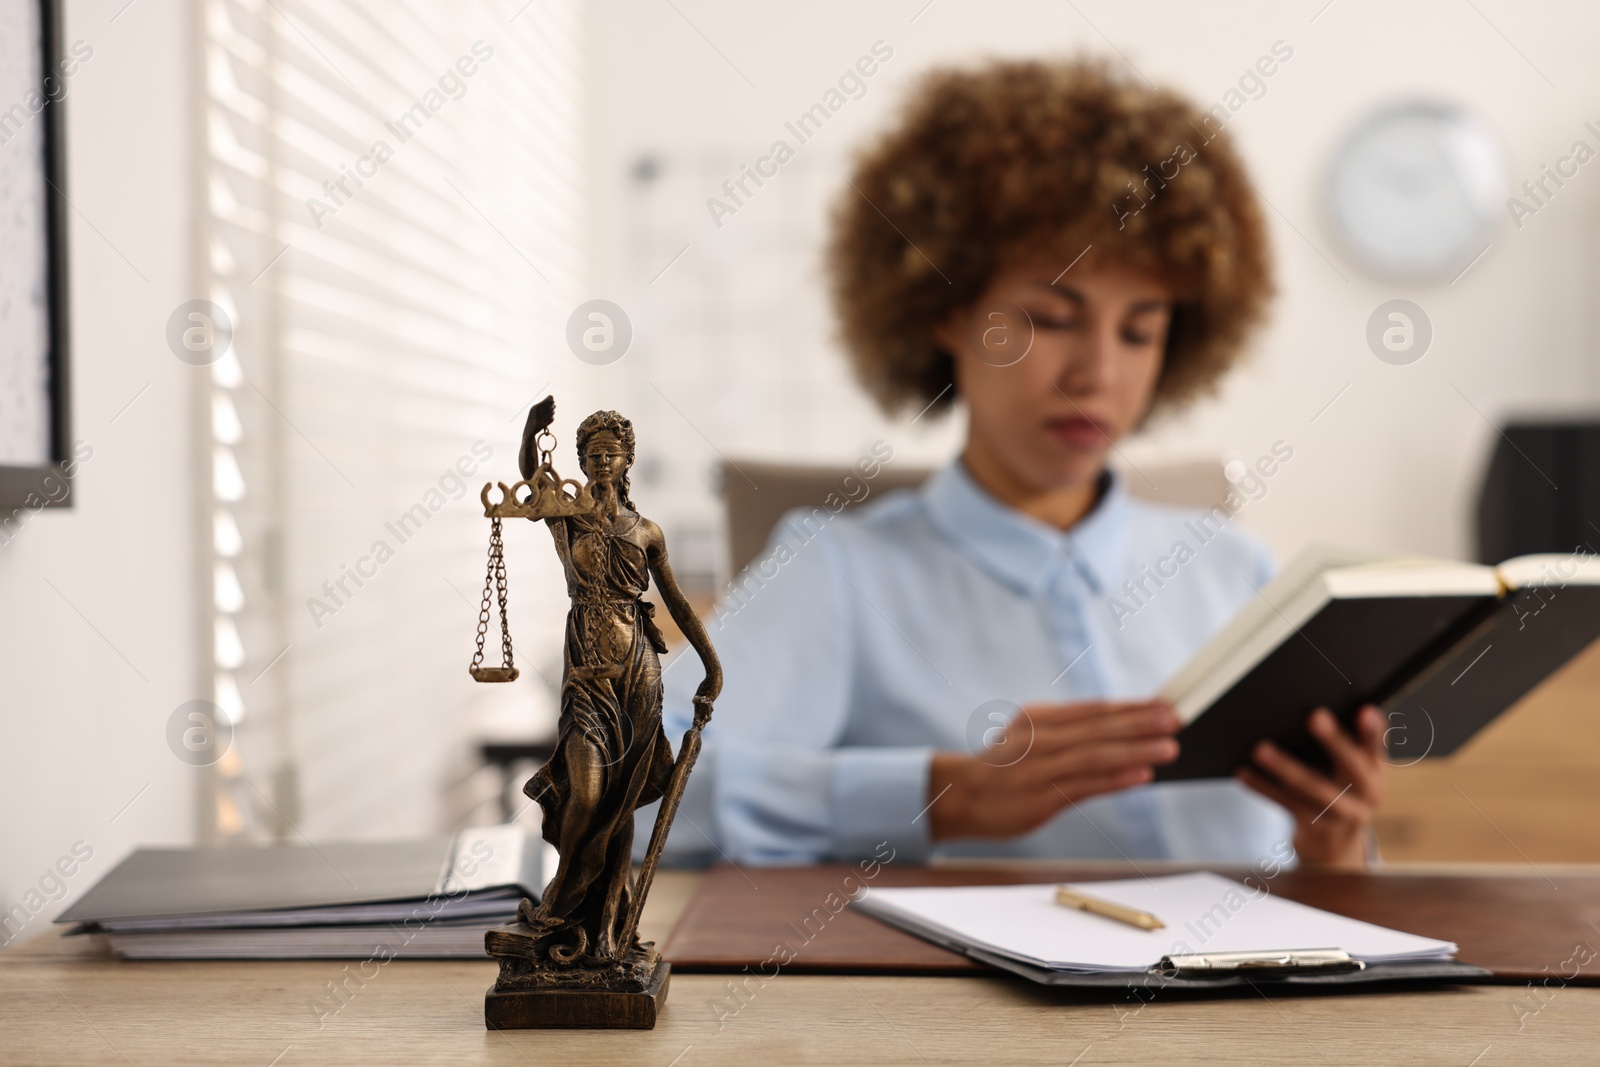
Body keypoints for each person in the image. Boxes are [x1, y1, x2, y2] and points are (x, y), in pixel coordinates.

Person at [651, 59, 1386, 871]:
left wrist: (1338, 845)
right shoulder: (838, 572)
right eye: (1048, 318)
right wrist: (942, 796)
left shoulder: (1234, 570)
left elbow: (1331, 894)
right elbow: (635, 796)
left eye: (1139, 332)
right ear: (945, 312)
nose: (1097, 375)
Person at [500, 410, 721, 969]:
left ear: (627, 461)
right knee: (588, 791)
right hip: (587, 675)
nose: (601, 462)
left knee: (621, 803)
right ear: (580, 462)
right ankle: (562, 905)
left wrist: (712, 666)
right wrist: (530, 433)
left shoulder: (647, 532)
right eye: (592, 454)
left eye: (610, 454)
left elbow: (676, 605)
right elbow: (531, 478)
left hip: (637, 673)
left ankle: (605, 930)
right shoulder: (568, 519)